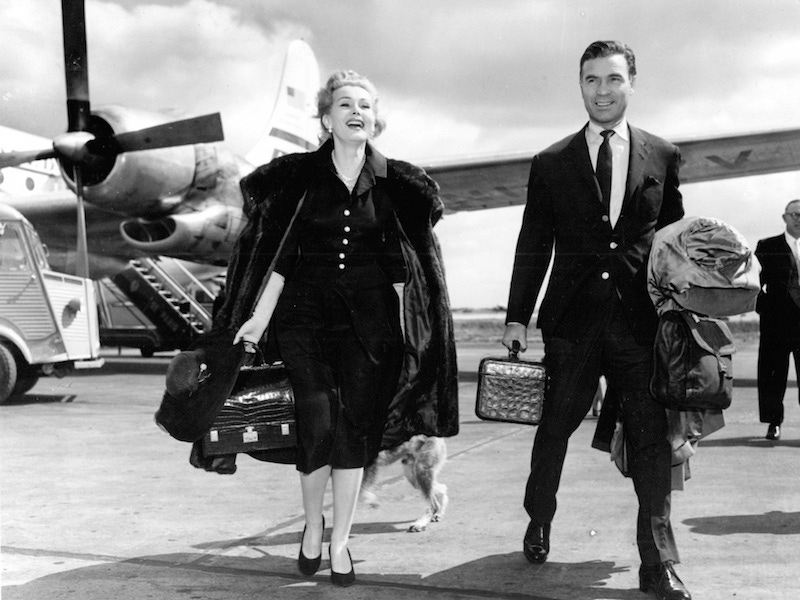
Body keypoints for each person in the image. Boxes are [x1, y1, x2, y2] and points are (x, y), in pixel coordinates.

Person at [212, 70, 458, 587]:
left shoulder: (392, 183)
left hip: (370, 329)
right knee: (318, 428)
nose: (356, 112)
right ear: (326, 117)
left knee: (354, 436)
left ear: (375, 119)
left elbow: (400, 264)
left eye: (365, 106)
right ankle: (312, 526)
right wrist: (258, 316)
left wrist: (407, 327)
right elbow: (280, 257)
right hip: (306, 320)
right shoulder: (302, 181)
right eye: (345, 104)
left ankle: (341, 542)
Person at [502, 41, 691, 600]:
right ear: (579, 86)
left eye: (612, 79)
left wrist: (687, 308)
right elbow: (533, 244)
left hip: (640, 323)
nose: (602, 91)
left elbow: (674, 242)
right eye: (591, 80)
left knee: (651, 441)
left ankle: (658, 564)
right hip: (572, 323)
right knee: (555, 428)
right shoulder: (551, 162)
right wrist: (517, 317)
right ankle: (540, 517)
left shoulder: (663, 154)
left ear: (632, 83)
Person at [754, 199, 800, 441]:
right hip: (777, 323)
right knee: (773, 374)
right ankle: (774, 423)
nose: (798, 218)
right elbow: (753, 282)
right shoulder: (767, 246)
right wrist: (765, 309)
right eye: (794, 214)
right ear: (785, 218)